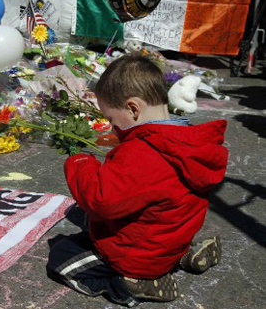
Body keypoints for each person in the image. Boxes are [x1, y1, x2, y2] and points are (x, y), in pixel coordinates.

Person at [47, 56, 227, 306]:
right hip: (171, 239)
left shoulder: (142, 154)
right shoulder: (186, 142)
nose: (112, 128)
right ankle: (186, 254)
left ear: (133, 109)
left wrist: (79, 163)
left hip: (139, 256)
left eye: (111, 119)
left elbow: (100, 199)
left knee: (61, 255)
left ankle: (129, 285)